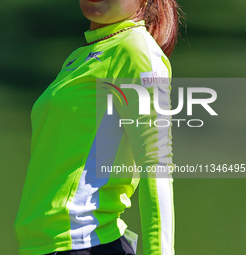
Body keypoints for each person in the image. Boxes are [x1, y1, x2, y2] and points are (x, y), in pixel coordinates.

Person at [14, 0, 180, 254]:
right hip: (42, 246)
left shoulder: (136, 50)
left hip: (86, 244)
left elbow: (156, 167)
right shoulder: (78, 57)